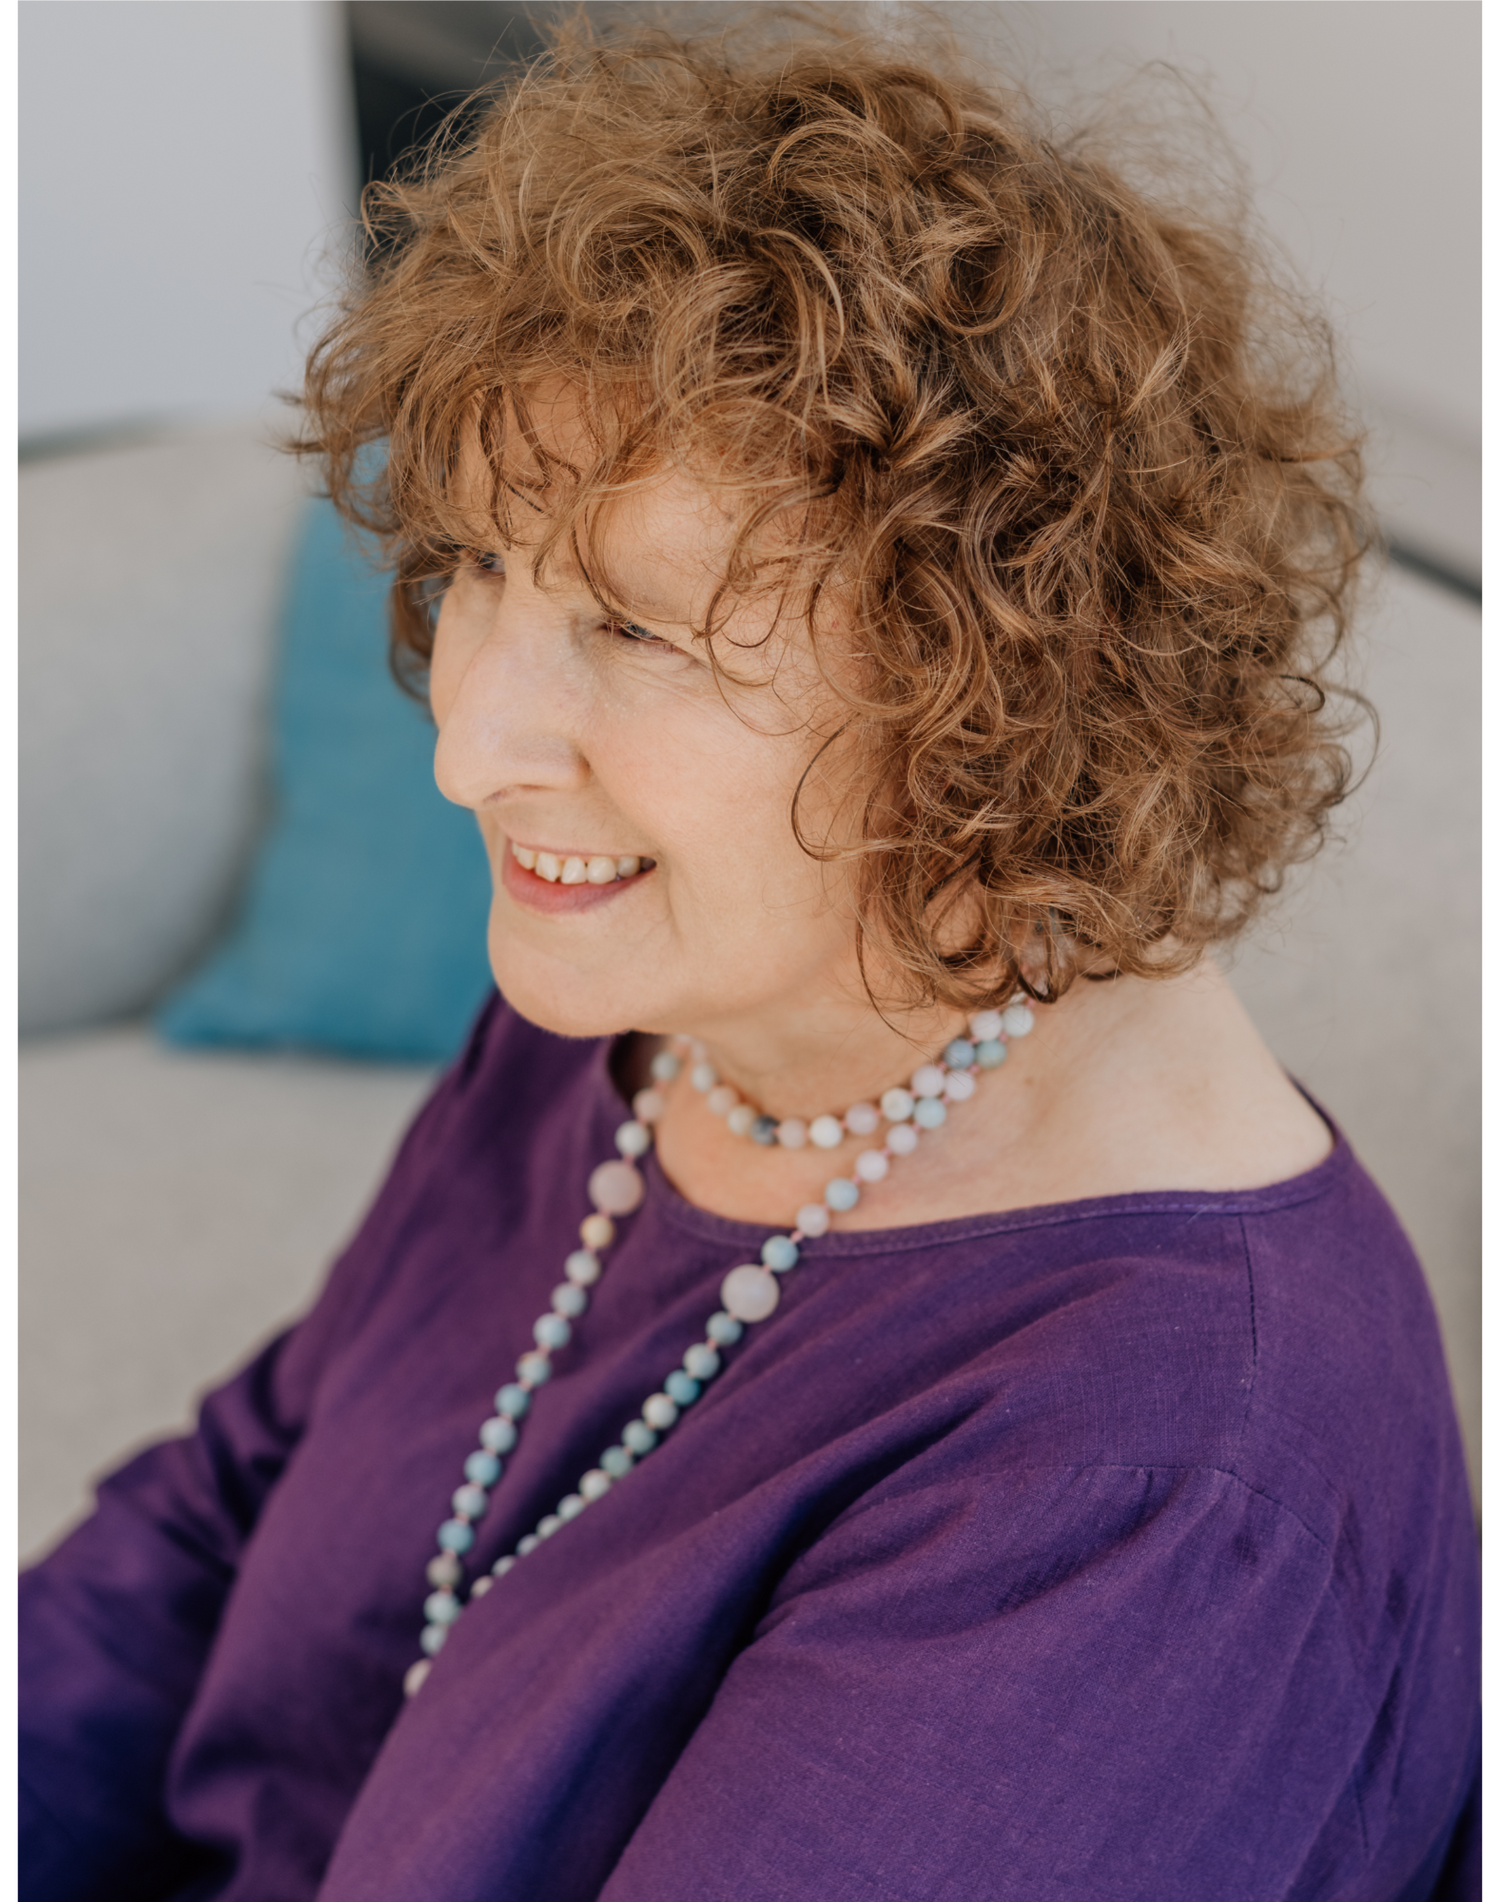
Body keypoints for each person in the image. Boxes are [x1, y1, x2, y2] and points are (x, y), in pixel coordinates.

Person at [19, 18, 1478, 1901]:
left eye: (637, 628)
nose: (469, 745)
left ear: (992, 693)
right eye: (483, 566)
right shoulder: (652, 1011)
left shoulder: (1160, 1483)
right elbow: (230, 1516)